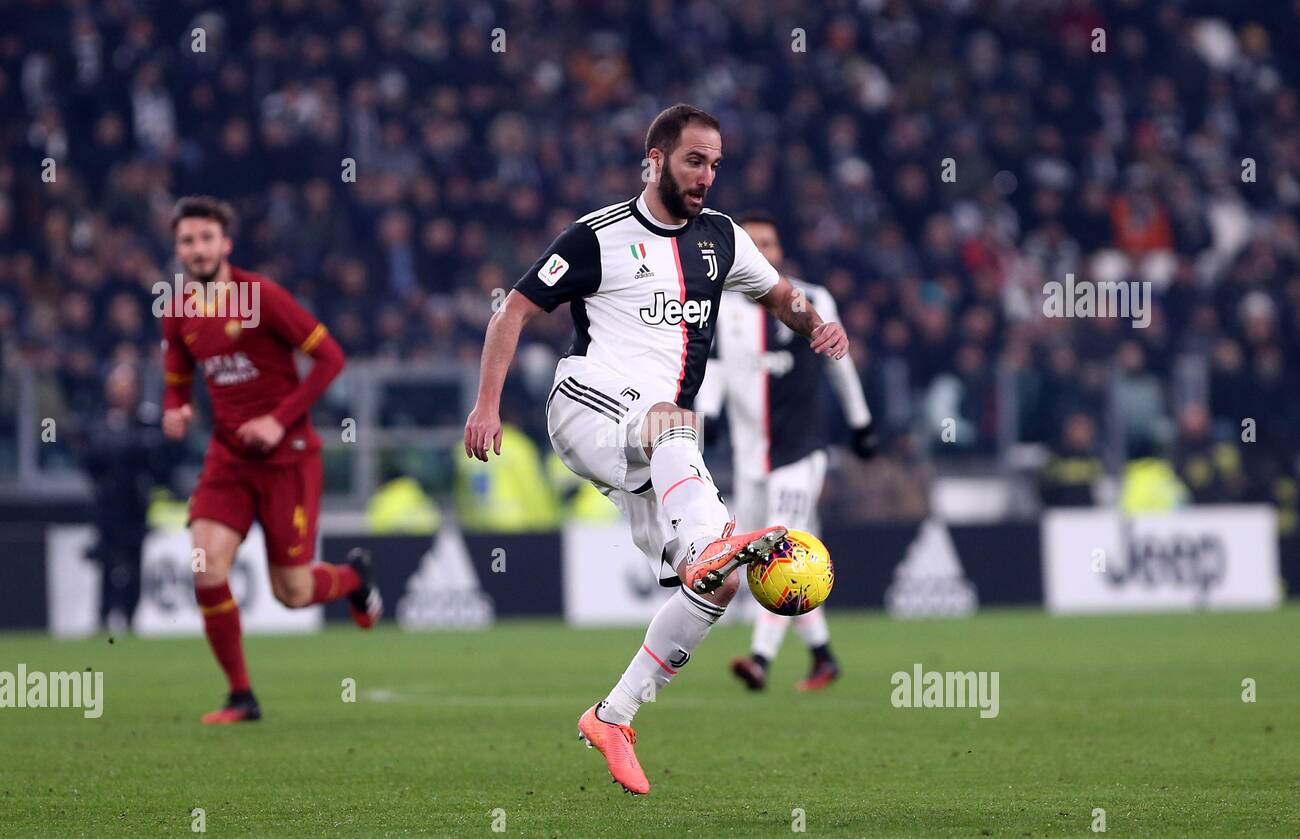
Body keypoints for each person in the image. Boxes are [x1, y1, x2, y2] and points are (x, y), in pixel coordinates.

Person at [463, 105, 849, 795]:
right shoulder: (597, 236)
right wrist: (487, 405)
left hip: (656, 447)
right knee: (673, 426)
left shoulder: (723, 241)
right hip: (585, 404)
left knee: (717, 586)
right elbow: (513, 310)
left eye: (715, 164)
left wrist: (817, 325)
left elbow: (782, 295)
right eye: (694, 160)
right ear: (655, 159)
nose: (706, 175)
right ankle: (707, 539)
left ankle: (614, 715)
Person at [160, 196, 382, 724]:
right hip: (228, 462)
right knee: (206, 569)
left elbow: (331, 358)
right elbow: (176, 383)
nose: (197, 249)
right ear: (179, 249)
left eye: (206, 238)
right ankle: (241, 696)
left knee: (293, 592)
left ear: (225, 244)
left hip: (289, 459)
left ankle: (352, 577)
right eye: (188, 241)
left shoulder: (260, 296)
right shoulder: (178, 312)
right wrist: (176, 411)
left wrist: (278, 421)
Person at [694, 212, 876, 693]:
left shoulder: (811, 301)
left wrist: (861, 422)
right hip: (752, 460)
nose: (762, 252)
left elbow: (840, 364)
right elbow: (714, 370)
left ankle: (759, 659)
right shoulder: (722, 308)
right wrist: (707, 416)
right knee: (765, 557)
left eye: (769, 243)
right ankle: (823, 657)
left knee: (778, 548)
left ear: (780, 250)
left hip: (800, 452)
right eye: (752, 244)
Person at [77, 362, 176, 634]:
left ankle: (131, 618)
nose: (121, 393)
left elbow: (162, 454)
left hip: (135, 502)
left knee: (134, 561)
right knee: (107, 562)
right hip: (108, 504)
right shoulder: (98, 418)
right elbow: (88, 455)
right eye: (117, 387)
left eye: (126, 387)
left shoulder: (145, 418)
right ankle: (103, 618)